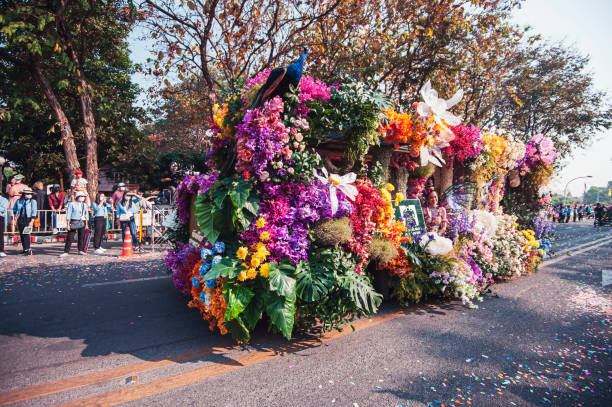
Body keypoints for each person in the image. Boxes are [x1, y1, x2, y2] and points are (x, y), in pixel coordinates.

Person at [61, 191, 89, 256]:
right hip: (74, 221)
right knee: (70, 237)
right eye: (81, 196)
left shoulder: (84, 205)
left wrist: (86, 224)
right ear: (77, 197)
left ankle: (80, 250)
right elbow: (69, 214)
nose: (82, 198)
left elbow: (86, 215)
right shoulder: (72, 204)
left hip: (82, 221)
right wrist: (67, 224)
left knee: (81, 237)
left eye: (83, 197)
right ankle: (66, 251)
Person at [12, 188, 37, 255]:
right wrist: (15, 218)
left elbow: (34, 212)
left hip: (28, 218)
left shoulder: (33, 201)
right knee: (22, 234)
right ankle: (24, 249)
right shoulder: (19, 201)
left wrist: (32, 221)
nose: (28, 195)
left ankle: (28, 249)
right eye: (27, 193)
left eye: (29, 194)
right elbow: (14, 209)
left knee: (26, 234)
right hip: (20, 218)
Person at [0, 193, 8, 257]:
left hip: (0, 217)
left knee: (0, 235)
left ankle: (1, 250)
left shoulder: (4, 200)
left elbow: (3, 209)